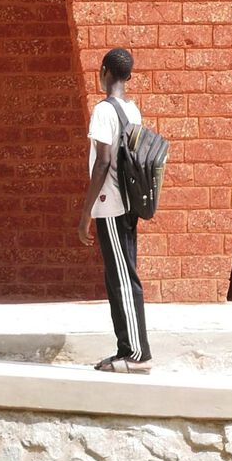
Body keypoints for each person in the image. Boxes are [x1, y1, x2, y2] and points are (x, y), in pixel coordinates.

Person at [77, 47, 150, 373]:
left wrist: (85, 213)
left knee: (122, 278)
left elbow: (103, 162)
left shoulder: (104, 110)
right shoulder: (132, 110)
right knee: (119, 275)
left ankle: (137, 355)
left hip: (111, 206)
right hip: (128, 204)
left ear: (104, 71)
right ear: (128, 75)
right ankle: (126, 349)